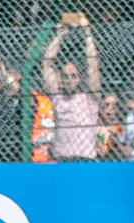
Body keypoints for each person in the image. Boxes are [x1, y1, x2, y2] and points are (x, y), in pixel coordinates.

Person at [42, 14, 103, 161]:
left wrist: (87, 34)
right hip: (62, 159)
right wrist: (59, 36)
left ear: (79, 78)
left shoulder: (90, 97)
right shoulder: (58, 97)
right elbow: (47, 64)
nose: (69, 80)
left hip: (85, 159)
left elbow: (92, 64)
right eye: (65, 76)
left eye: (73, 76)